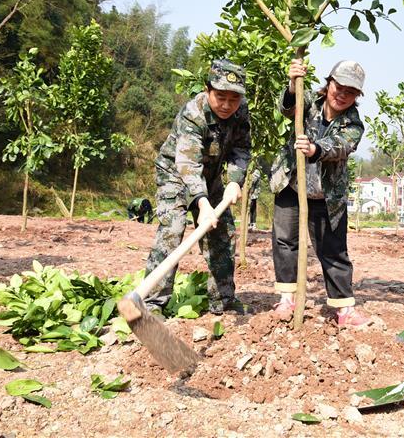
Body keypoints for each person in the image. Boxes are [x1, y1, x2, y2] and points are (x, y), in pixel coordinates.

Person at [143, 59, 251, 316]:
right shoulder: (193, 113)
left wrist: (235, 180)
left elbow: (241, 148)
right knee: (173, 230)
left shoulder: (241, 111)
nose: (226, 105)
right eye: (220, 97)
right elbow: (188, 163)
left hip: (211, 177)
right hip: (176, 174)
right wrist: (202, 204)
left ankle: (223, 300)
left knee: (223, 234)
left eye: (233, 99)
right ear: (207, 89)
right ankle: (152, 304)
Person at [270, 58, 368, 327]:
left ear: (357, 96)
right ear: (329, 83)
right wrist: (292, 85)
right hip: (291, 184)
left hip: (327, 196)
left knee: (334, 251)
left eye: (351, 92)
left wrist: (315, 149)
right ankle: (287, 299)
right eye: (339, 87)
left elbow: (340, 146)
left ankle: (344, 309)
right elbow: (287, 109)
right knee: (284, 242)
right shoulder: (308, 101)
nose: (343, 95)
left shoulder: (353, 123)